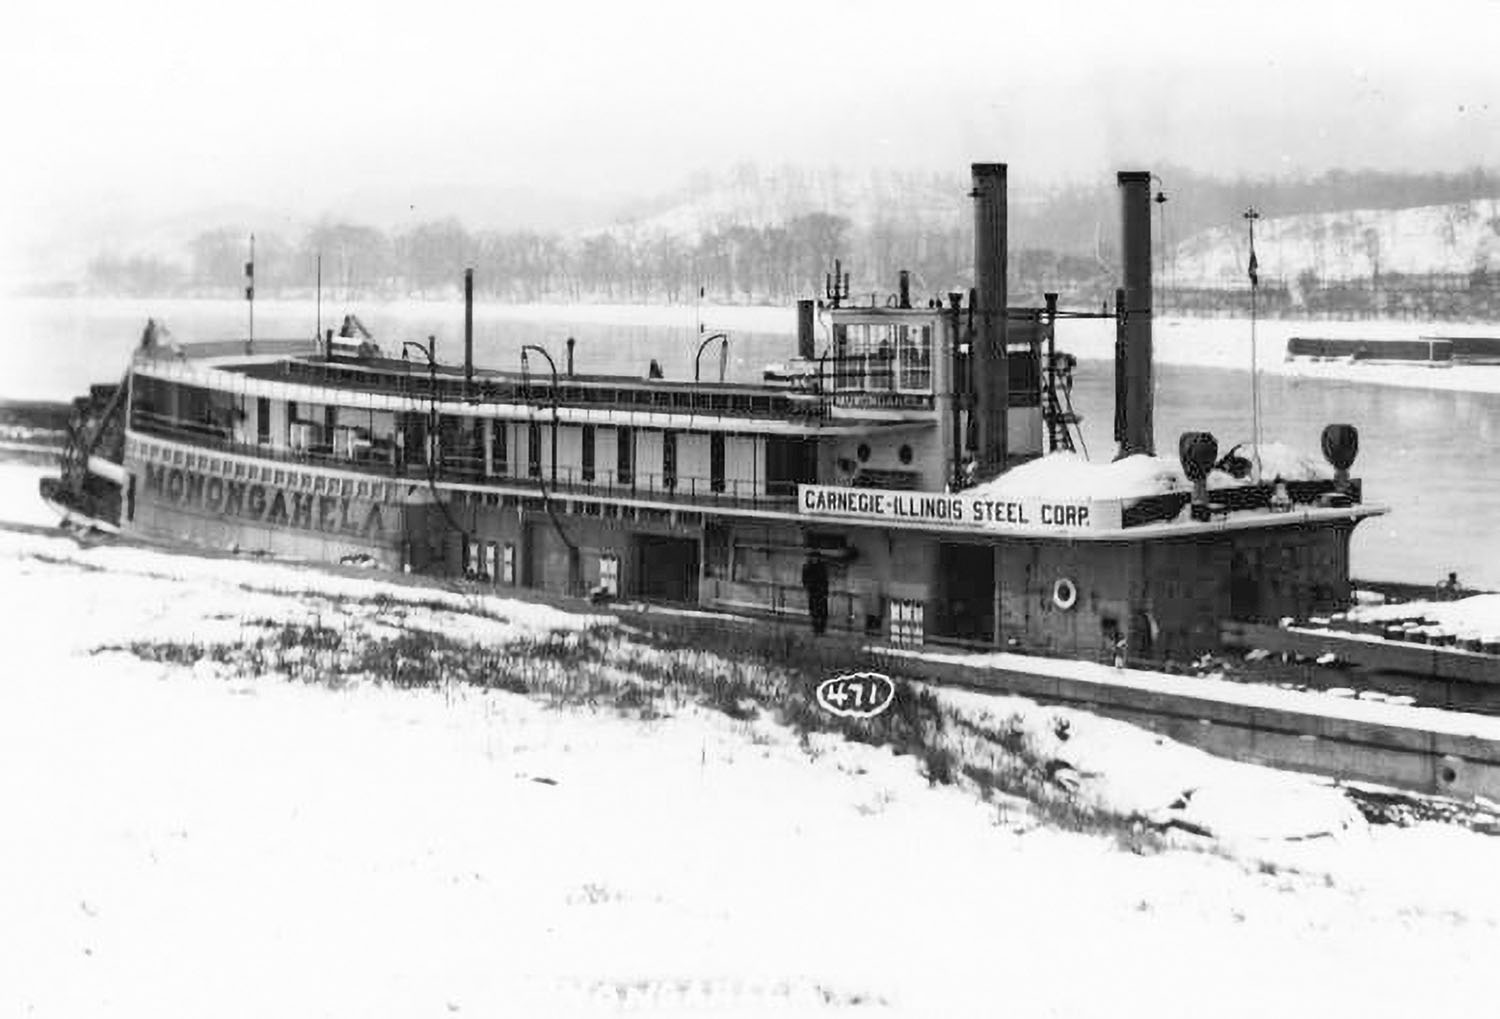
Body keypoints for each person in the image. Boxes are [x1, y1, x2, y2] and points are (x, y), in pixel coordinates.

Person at [801, 554, 830, 635]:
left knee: (821, 611)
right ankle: (817, 628)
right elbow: (805, 580)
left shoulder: (820, 567)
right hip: (814, 591)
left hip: (819, 592)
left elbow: (825, 580)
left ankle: (821, 628)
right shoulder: (808, 567)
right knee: (815, 611)